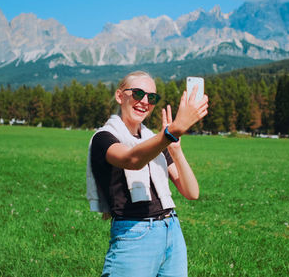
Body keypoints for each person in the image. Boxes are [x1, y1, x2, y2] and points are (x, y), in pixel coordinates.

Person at [86, 70, 209, 277]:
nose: (144, 101)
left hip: (172, 231)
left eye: (151, 97)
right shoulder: (104, 138)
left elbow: (192, 192)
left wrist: (175, 148)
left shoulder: (156, 141)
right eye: (137, 93)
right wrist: (171, 132)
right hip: (134, 234)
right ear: (119, 96)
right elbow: (131, 160)